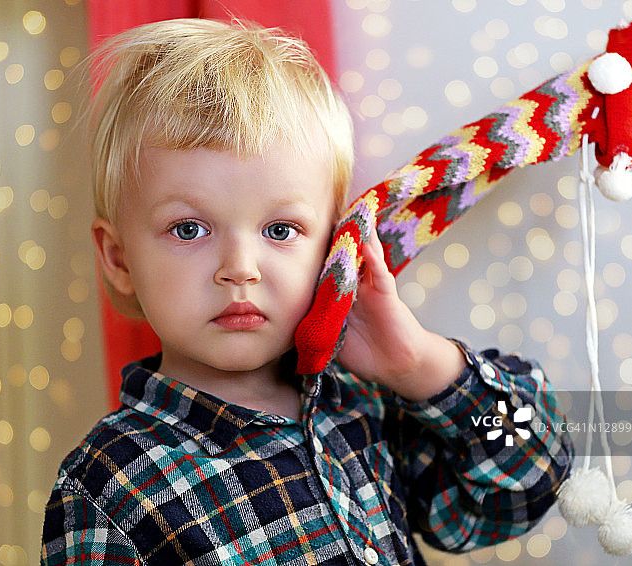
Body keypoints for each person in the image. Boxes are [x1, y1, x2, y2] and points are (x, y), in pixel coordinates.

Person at [41, 18, 572, 566]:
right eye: (189, 229)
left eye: (280, 230)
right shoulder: (106, 485)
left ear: (332, 246)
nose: (240, 269)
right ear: (120, 258)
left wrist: (417, 365)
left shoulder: (363, 406)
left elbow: (528, 479)